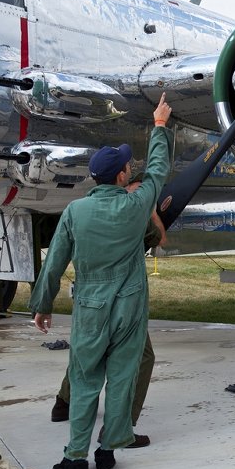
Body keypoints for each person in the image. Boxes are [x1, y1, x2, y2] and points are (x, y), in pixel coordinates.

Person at [30, 94, 172, 469]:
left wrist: (42, 306)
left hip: (90, 307)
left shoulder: (75, 211)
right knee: (123, 376)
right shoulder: (138, 203)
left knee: (84, 378)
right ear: (123, 176)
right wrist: (159, 126)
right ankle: (107, 450)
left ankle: (75, 458)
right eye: (128, 164)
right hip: (128, 307)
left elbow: (55, 261)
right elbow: (158, 169)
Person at [49, 175, 167, 448]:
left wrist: (43, 304)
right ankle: (119, 429)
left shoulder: (82, 210)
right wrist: (148, 206)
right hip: (125, 302)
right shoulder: (135, 214)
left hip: (90, 301)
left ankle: (64, 405)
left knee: (86, 357)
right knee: (140, 358)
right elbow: (160, 237)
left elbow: (57, 258)